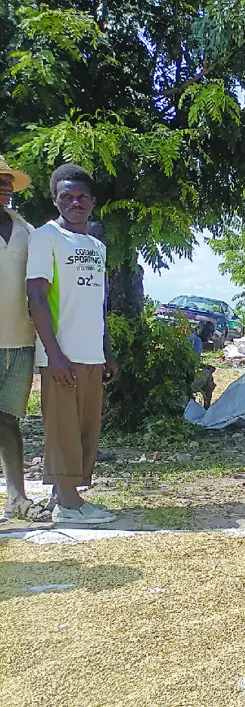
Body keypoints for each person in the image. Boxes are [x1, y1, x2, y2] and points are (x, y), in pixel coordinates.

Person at [26, 164, 118, 525]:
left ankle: (64, 494)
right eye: (67, 196)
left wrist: (107, 352)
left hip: (91, 353)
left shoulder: (96, 245)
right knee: (62, 428)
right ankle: (69, 505)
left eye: (82, 197)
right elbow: (36, 297)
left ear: (93, 203)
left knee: (84, 429)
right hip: (60, 356)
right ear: (55, 199)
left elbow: (99, 304)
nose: (75, 202)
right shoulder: (45, 238)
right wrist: (54, 355)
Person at [0, 157, 46, 522]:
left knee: (9, 420)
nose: (4, 188)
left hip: (19, 342)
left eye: (8, 183)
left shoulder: (27, 231)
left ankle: (17, 498)